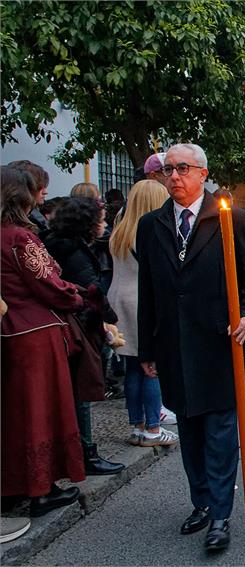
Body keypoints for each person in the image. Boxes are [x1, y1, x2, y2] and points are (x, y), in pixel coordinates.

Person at [137, 143, 245, 552]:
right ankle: (202, 502)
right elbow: (148, 293)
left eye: (183, 169)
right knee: (190, 430)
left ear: (203, 173)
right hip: (174, 346)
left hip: (218, 344)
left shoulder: (230, 219)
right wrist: (147, 349)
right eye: (168, 170)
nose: (174, 176)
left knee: (221, 433)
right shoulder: (151, 225)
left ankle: (221, 514)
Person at [1, 166, 86, 518]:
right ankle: (40, 489)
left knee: (13, 414)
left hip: (9, 329)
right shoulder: (19, 238)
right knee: (42, 411)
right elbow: (48, 283)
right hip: (34, 334)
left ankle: (11, 486)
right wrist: (79, 297)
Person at [43, 197, 125, 476]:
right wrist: (109, 320)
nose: (103, 225)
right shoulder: (74, 251)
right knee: (82, 392)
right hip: (77, 328)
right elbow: (90, 291)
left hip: (68, 326)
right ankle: (86, 452)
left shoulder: (58, 243)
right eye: (100, 220)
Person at [108, 180, 178, 447]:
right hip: (140, 302)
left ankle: (137, 425)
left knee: (132, 369)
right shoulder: (148, 232)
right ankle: (152, 427)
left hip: (119, 301)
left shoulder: (120, 230)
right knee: (151, 365)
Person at [6, 160, 50, 234]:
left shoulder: (34, 218)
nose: (45, 192)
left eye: (45, 186)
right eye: (39, 187)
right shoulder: (11, 225)